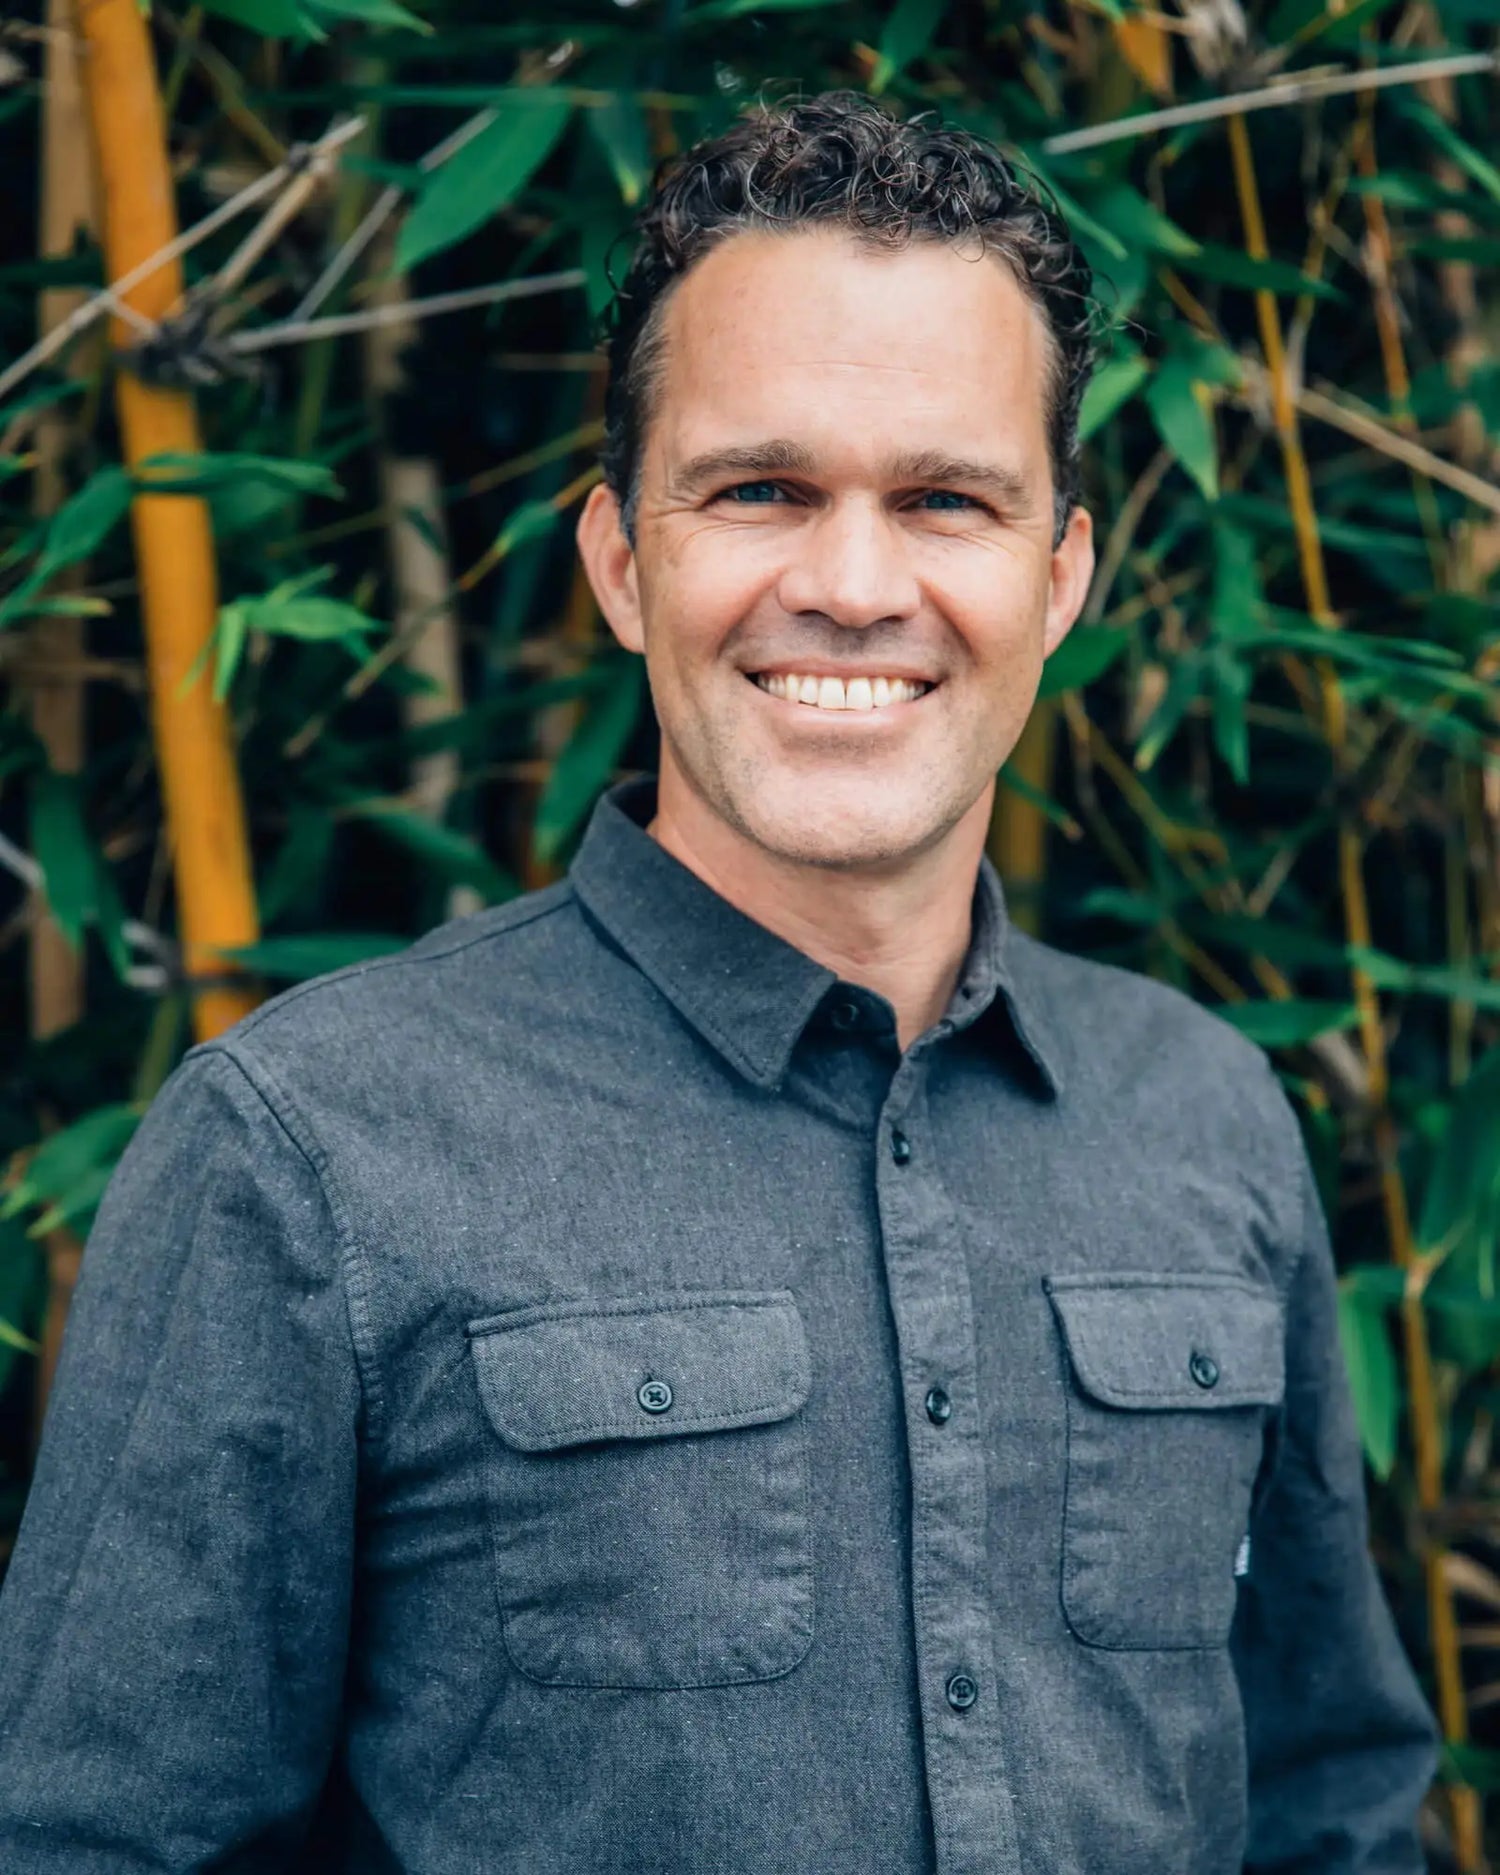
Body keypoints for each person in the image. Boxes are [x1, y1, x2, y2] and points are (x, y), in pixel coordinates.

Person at [0, 89, 1439, 1874]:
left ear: (1060, 574)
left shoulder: (1205, 1114)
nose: (850, 584)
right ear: (621, 558)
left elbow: (1332, 1801)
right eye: (760, 489)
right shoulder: (307, 1154)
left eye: (946, 501)